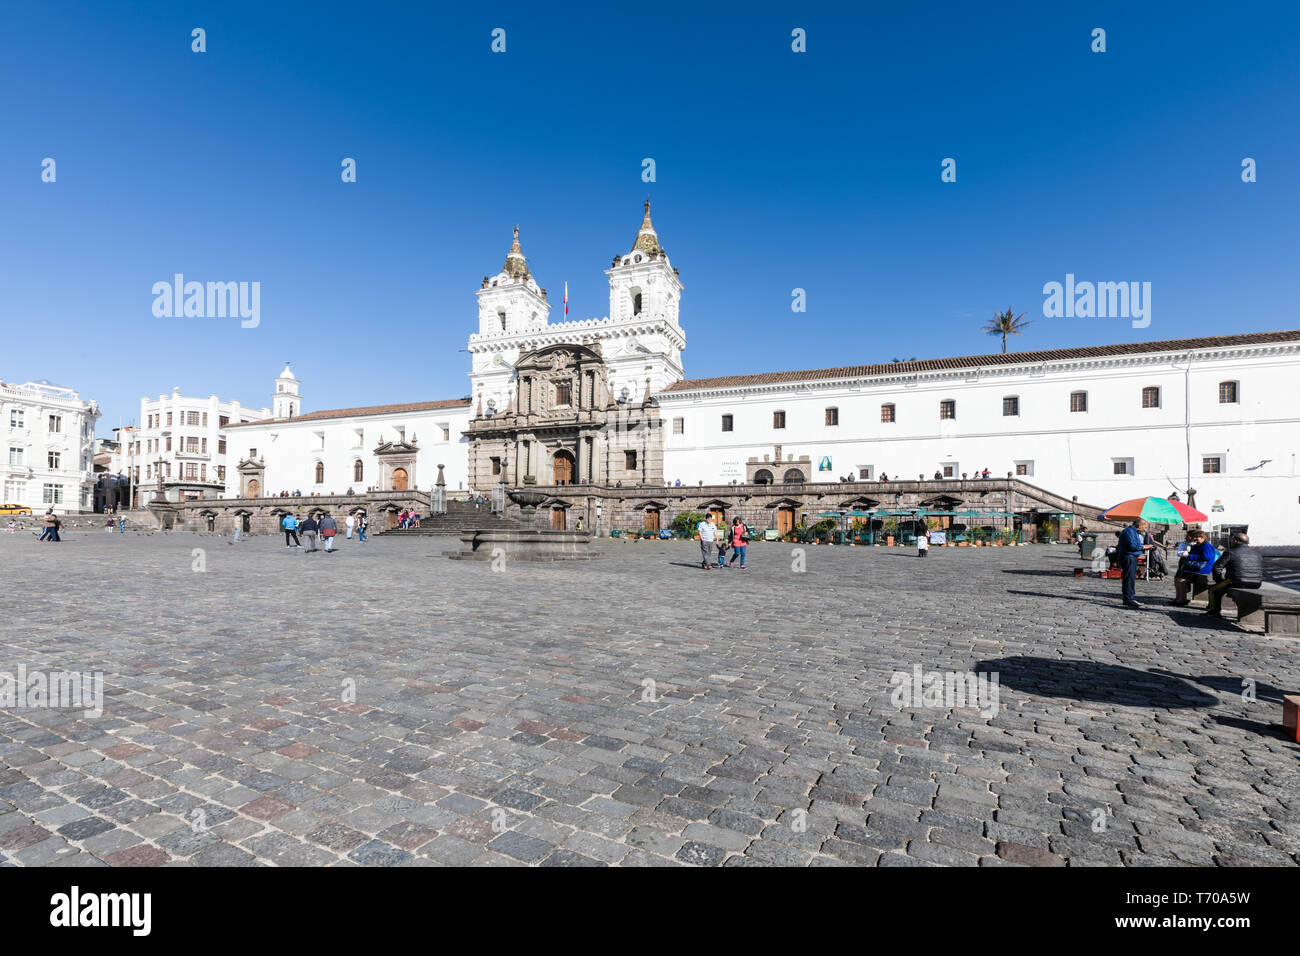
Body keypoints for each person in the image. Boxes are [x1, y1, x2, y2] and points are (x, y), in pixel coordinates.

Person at [1206, 533, 1261, 617]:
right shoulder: (1256, 552)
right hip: (1256, 582)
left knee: (1213, 590)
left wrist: (1219, 580)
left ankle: (1214, 612)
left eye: (1232, 540)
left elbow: (1217, 567)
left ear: (1235, 541)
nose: (1231, 542)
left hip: (1235, 581)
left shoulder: (1230, 552)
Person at [1173, 530, 1218, 605]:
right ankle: (1178, 598)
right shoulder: (1196, 546)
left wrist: (1189, 556)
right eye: (1195, 537)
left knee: (1181, 579)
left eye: (1199, 537)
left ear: (1204, 538)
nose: (1196, 538)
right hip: (1194, 568)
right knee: (1177, 578)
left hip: (1202, 569)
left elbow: (1206, 557)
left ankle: (1182, 599)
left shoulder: (1207, 545)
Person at [1114, 518, 1147, 608]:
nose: (1144, 529)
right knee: (1129, 578)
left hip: (1131, 557)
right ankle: (1129, 599)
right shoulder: (1130, 532)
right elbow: (1132, 546)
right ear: (1139, 525)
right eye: (1144, 526)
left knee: (1130, 578)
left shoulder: (1134, 532)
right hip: (1129, 557)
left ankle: (1129, 598)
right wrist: (1144, 547)